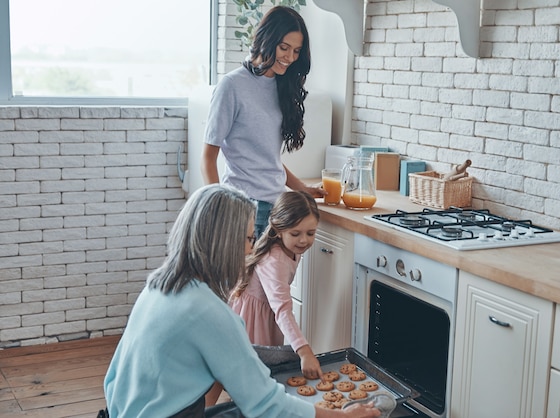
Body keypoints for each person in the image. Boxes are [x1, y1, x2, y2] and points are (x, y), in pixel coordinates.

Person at [102, 184, 380, 418]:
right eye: (248, 238)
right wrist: (344, 416)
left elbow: (112, 379)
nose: (251, 248)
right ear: (225, 243)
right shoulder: (208, 312)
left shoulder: (159, 283)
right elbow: (267, 405)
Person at [201, 5, 325, 239]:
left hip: (279, 209)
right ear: (267, 39)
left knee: (275, 278)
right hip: (243, 209)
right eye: (284, 48)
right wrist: (218, 210)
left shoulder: (283, 86)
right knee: (242, 277)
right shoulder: (232, 86)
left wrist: (301, 188)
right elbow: (208, 158)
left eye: (296, 51)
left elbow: (268, 158)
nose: (289, 58)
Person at [230, 191, 323, 380]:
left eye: (311, 233)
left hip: (267, 314)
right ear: (278, 230)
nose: (304, 240)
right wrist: (304, 351)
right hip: (254, 320)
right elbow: (282, 308)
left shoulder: (290, 248)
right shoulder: (275, 260)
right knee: (253, 376)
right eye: (295, 233)